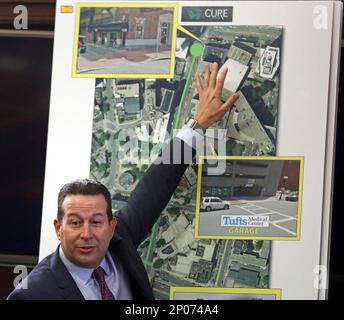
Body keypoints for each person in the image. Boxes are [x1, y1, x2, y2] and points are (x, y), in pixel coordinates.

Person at [7, 63, 240, 300]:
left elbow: (158, 184)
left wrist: (199, 124)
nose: (87, 233)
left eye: (96, 222)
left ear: (112, 226)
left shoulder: (121, 240)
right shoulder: (33, 294)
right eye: (76, 223)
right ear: (59, 228)